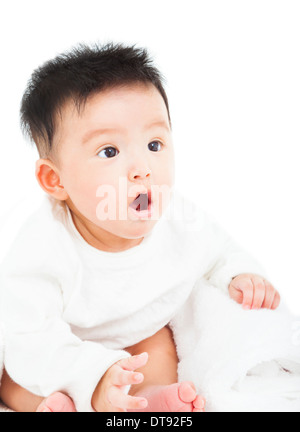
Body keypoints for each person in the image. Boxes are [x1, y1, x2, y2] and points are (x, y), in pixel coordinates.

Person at [0, 42, 280, 412]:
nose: (142, 168)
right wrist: (93, 376)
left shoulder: (180, 220)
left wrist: (239, 274)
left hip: (133, 338)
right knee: (13, 375)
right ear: (56, 180)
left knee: (159, 344)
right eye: (110, 151)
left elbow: (218, 251)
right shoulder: (43, 248)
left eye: (154, 143)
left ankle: (146, 398)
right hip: (59, 344)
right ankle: (52, 402)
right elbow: (28, 337)